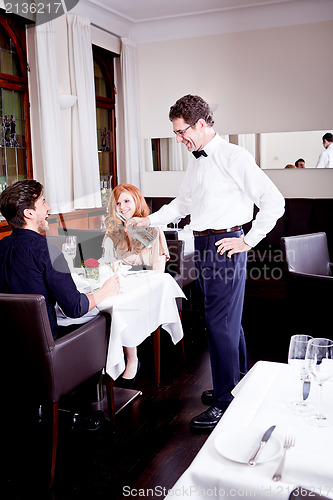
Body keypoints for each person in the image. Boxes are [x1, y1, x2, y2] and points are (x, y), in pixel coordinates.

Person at [132, 95, 285, 432]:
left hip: (224, 245)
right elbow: (182, 203)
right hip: (204, 245)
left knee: (219, 324)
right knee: (227, 321)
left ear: (201, 125)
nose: (179, 139)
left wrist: (247, 240)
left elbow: (274, 202)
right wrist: (151, 221)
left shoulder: (235, 156)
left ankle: (225, 401)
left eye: (181, 131)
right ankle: (237, 382)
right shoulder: (196, 160)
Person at [0, 179, 120, 340]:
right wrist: (106, 290)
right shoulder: (47, 250)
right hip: (46, 345)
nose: (48, 208)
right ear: (29, 213)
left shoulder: (2, 246)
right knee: (108, 319)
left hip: (11, 341)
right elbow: (75, 308)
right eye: (43, 203)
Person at [103, 183, 169, 386]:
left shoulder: (152, 228)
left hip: (149, 286)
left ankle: (132, 359)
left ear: (137, 201)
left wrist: (131, 226)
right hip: (123, 283)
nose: (122, 207)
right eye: (118, 203)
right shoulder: (113, 230)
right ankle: (110, 358)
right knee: (105, 305)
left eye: (126, 201)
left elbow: (159, 269)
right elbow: (107, 262)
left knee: (122, 306)